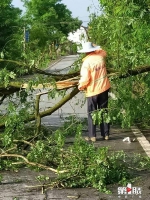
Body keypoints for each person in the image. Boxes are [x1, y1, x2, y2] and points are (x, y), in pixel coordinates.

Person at [77, 42, 111, 142]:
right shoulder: (100, 57)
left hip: (92, 91)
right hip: (104, 88)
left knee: (92, 113)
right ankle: (106, 135)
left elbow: (85, 78)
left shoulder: (86, 63)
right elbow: (104, 51)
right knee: (103, 111)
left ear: (85, 52)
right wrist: (96, 46)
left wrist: (80, 86)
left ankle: (93, 136)